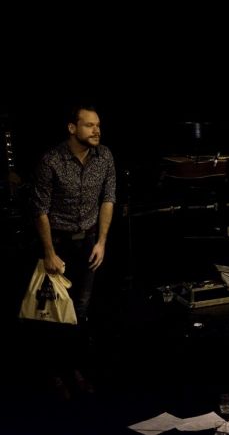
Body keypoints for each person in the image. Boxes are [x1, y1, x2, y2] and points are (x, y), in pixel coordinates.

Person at [30, 104, 116, 397]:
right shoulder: (52, 160)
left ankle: (75, 369)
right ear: (72, 128)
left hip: (88, 242)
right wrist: (49, 252)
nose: (97, 130)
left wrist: (101, 242)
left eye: (98, 125)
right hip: (58, 243)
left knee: (80, 310)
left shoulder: (104, 156)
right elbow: (40, 209)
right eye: (90, 125)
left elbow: (108, 199)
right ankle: (55, 373)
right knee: (54, 313)